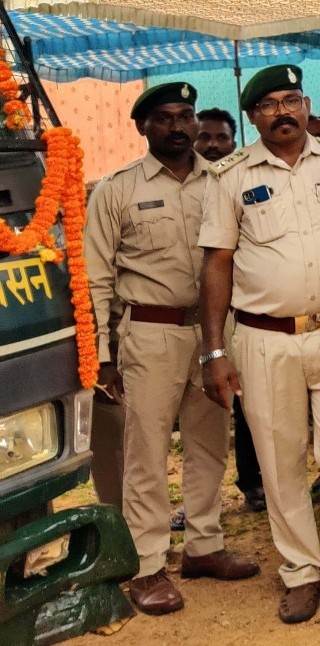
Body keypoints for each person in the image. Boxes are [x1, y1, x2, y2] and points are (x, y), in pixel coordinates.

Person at [198, 64, 320, 625]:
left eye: (292, 101)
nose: (283, 112)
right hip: (265, 339)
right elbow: (217, 262)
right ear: (252, 116)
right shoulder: (230, 176)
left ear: (307, 105)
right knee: (280, 457)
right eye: (269, 105)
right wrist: (214, 351)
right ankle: (302, 572)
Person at [84, 81, 260, 615]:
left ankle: (204, 547)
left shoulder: (224, 182)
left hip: (213, 333)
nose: (179, 126)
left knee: (210, 442)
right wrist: (103, 356)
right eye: (164, 117)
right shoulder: (115, 190)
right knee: (148, 452)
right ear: (143, 127)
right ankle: (147, 564)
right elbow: (96, 278)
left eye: (185, 115)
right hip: (149, 334)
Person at [192, 106, 264, 513]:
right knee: (206, 418)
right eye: (206, 137)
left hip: (240, 315)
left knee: (249, 403)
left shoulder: (244, 178)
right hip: (179, 321)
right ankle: (202, 505)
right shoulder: (185, 184)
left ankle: (254, 484)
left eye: (222, 137)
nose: (214, 145)